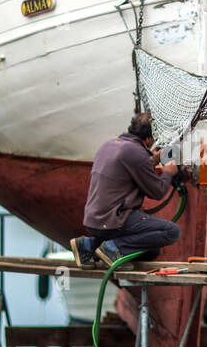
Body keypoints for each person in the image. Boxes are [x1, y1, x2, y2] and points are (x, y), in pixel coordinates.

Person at [70, 112, 181, 269]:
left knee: (151, 251)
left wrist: (152, 160)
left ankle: (88, 245)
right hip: (112, 221)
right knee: (171, 232)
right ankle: (112, 250)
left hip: (94, 220)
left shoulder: (109, 144)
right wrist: (168, 172)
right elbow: (158, 192)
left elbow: (129, 169)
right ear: (149, 139)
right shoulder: (137, 153)